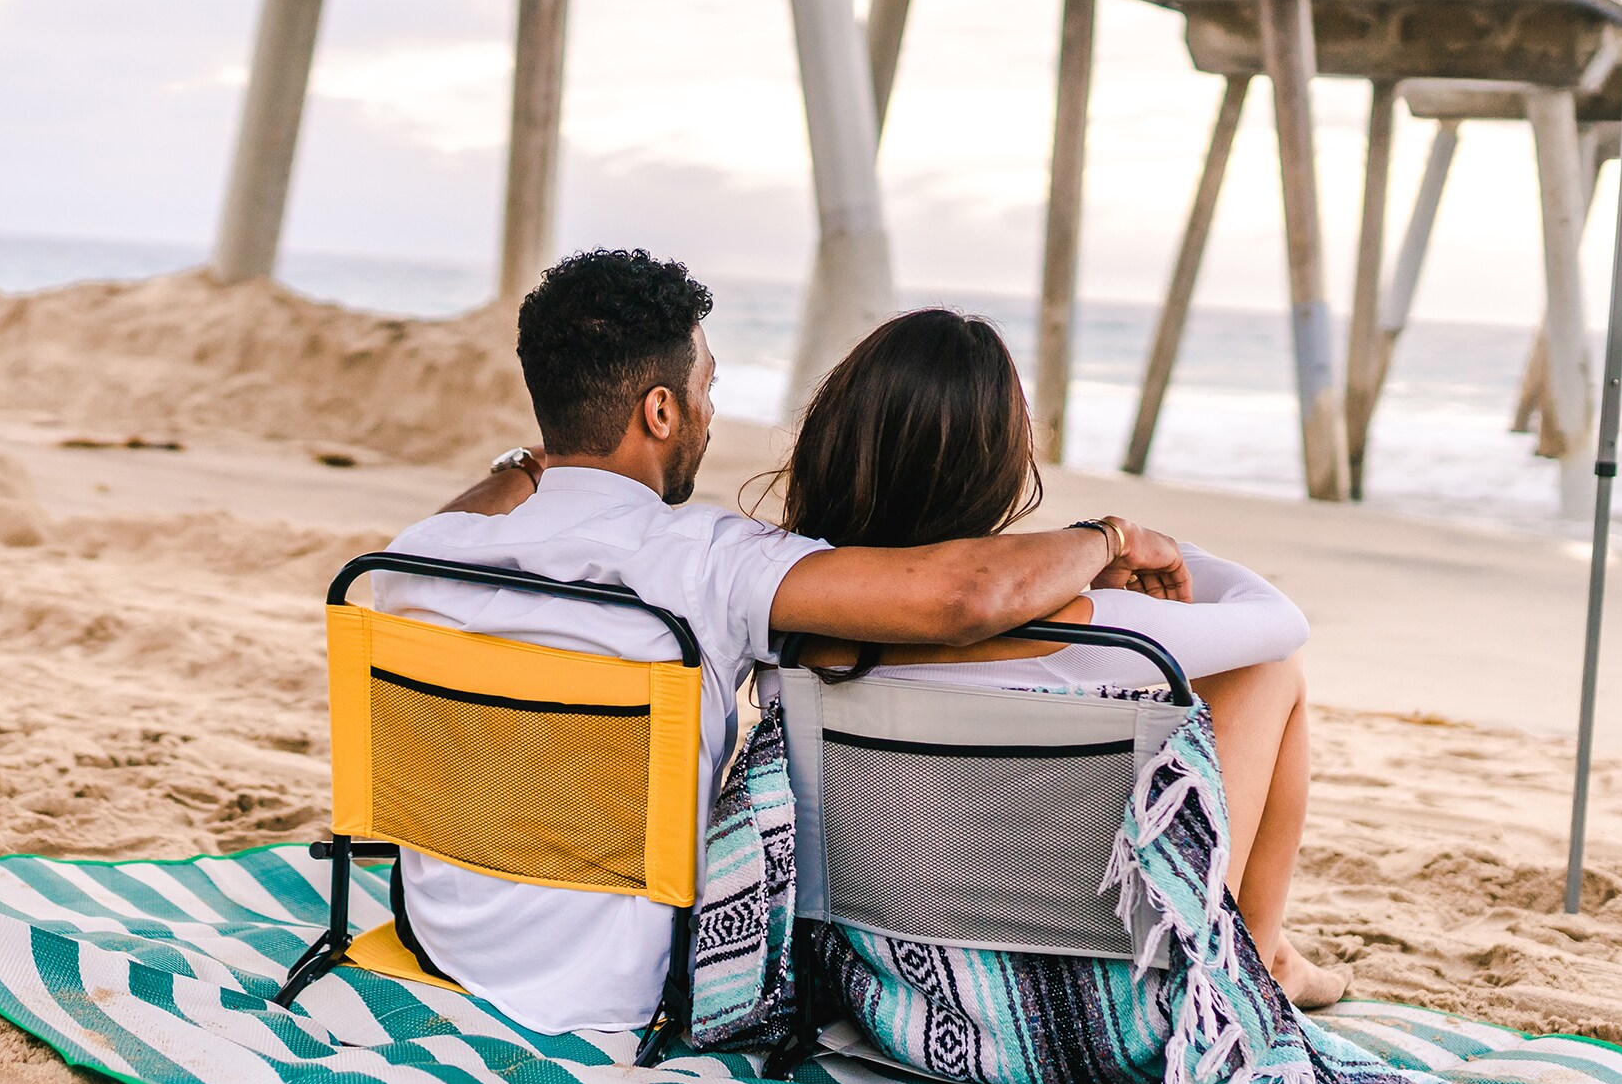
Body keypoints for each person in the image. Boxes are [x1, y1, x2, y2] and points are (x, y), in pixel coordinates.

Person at [362, 250, 1188, 1036]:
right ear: (660, 409)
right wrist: (1110, 535)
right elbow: (965, 594)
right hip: (611, 991)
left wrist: (530, 462)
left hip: (442, 946)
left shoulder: (413, 559)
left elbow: (458, 515)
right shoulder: (708, 562)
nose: (711, 414)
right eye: (705, 388)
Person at [760, 308, 1349, 1034]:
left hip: (882, 996)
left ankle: (1275, 951)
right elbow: (1280, 619)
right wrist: (1129, 541)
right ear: (1005, 465)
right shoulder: (1113, 632)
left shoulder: (787, 628)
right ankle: (1261, 955)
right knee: (1268, 674)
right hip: (1106, 1024)